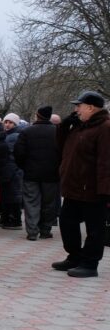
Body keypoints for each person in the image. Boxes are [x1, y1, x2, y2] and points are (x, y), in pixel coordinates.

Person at [52, 91, 110, 277]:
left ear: (91, 107)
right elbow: (61, 145)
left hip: (93, 190)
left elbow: (106, 161)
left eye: (79, 106)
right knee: (67, 221)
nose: (76, 109)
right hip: (73, 187)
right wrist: (65, 124)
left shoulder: (105, 127)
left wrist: (105, 190)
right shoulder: (81, 127)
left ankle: (90, 263)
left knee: (94, 228)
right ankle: (75, 256)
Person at [14, 106, 61, 241]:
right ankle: (45, 230)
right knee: (49, 203)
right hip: (52, 175)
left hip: (31, 174)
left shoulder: (27, 132)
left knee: (31, 202)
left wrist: (24, 166)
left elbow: (19, 152)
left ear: (37, 115)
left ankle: (32, 231)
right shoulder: (57, 132)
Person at [1, 113, 24, 229]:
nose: (7, 124)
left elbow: (10, 156)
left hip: (13, 170)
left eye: (10, 122)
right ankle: (7, 218)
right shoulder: (9, 135)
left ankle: (15, 220)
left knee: (13, 195)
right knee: (10, 195)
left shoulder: (13, 136)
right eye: (6, 122)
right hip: (13, 170)